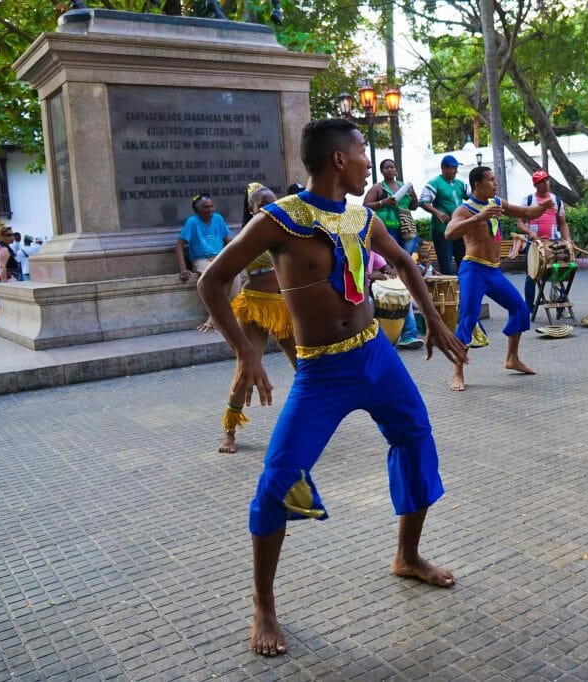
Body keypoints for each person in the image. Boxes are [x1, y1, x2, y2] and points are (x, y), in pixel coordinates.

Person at [196, 118, 468, 657]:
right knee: (279, 477)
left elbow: (405, 261)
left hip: (375, 355)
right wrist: (246, 353)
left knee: (415, 440)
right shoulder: (280, 220)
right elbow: (212, 280)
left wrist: (434, 319)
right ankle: (264, 606)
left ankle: (407, 557)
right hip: (321, 372)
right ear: (339, 159)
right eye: (363, 150)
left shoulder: (361, 215)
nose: (370, 158)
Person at [444, 166, 549, 392]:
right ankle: (458, 372)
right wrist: (479, 218)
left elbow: (526, 213)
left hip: (493, 271)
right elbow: (449, 233)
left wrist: (544, 207)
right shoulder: (465, 209)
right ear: (477, 185)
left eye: (495, 179)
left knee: (520, 308)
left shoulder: (497, 203)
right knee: (468, 318)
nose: (496, 183)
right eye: (491, 180)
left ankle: (512, 358)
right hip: (473, 270)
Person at [218, 183, 298, 455]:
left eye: (273, 203)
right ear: (251, 210)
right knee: (245, 371)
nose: (269, 208)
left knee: (306, 367)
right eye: (262, 205)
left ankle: (312, 420)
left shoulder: (287, 232)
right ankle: (229, 432)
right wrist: (214, 315)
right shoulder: (246, 239)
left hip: (284, 308)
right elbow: (221, 279)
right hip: (255, 308)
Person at [363, 159, 423, 349]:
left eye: (392, 167)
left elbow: (413, 207)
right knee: (396, 273)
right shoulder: (378, 188)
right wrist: (383, 202)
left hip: (403, 229)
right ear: (382, 171)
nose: (390, 169)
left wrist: (414, 198)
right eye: (386, 167)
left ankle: (406, 331)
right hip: (385, 231)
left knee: (402, 268)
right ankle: (402, 331)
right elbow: (365, 206)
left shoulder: (402, 186)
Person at [175, 193, 240, 332]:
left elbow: (227, 241)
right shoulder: (192, 222)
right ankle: (218, 319)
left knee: (235, 277)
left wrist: (236, 259)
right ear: (198, 209)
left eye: (211, 206)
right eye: (206, 207)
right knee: (216, 278)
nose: (210, 209)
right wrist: (183, 269)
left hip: (220, 257)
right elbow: (179, 245)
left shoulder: (218, 219)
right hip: (202, 259)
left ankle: (220, 318)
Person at [517, 169, 571, 310]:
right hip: (534, 244)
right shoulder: (528, 200)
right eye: (541, 182)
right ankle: (529, 308)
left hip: (553, 243)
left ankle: (559, 305)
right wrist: (529, 232)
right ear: (536, 185)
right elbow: (520, 222)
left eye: (546, 180)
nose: (545, 183)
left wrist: (568, 240)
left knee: (558, 272)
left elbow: (563, 223)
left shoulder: (556, 200)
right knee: (532, 275)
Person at [420, 155, 468, 275]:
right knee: (445, 265)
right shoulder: (435, 183)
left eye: (456, 168)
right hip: (442, 231)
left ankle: (462, 290)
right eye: (452, 168)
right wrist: (438, 213)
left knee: (463, 262)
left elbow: (472, 197)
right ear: (443, 168)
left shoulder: (460, 184)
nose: (455, 171)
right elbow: (423, 202)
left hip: (460, 229)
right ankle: (448, 292)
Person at [0, 226, 22, 322]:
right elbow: (2, 267)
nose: (12, 237)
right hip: (7, 278)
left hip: (2, 278)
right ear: (2, 236)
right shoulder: (3, 249)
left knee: (0, 304)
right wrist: (5, 283)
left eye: (12, 234)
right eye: (9, 235)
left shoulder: (0, 246)